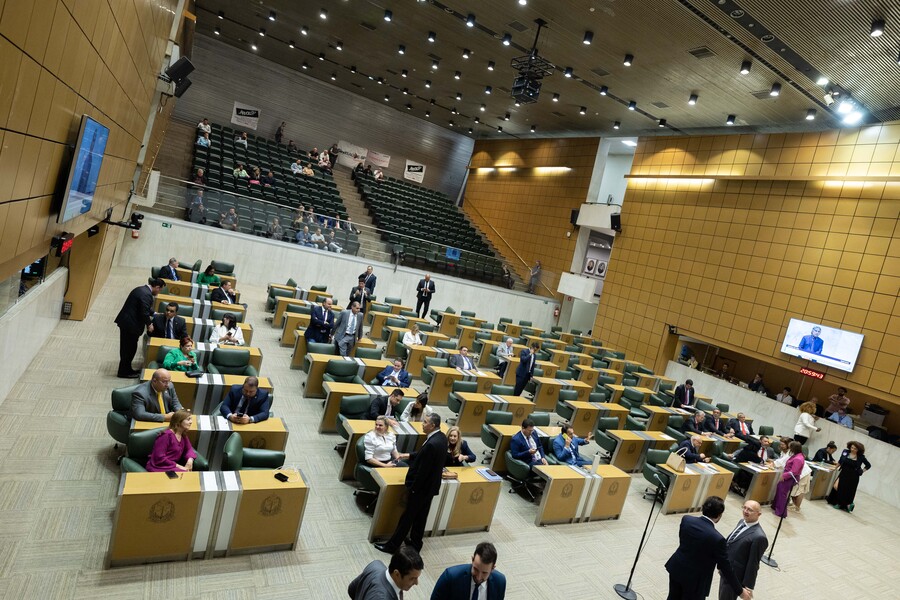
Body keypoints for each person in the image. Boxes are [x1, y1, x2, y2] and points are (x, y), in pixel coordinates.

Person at [374, 414, 448, 554]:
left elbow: (422, 471)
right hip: (430, 488)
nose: (422, 423)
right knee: (420, 518)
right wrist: (408, 455)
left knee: (406, 519)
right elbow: (424, 455)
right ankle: (415, 544)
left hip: (420, 489)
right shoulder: (441, 437)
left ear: (432, 426)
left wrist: (413, 489)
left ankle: (392, 546)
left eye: (425, 422)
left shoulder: (432, 443)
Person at [664, 496, 750, 600]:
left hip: (677, 568)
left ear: (703, 508)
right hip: (695, 581)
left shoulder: (686, 520)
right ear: (719, 515)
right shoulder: (718, 539)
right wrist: (740, 591)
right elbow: (726, 567)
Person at [115, 277, 164, 377]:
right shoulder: (147, 294)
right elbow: (144, 312)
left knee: (128, 348)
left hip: (128, 323)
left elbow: (144, 307)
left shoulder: (141, 289)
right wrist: (149, 324)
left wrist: (154, 313)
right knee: (128, 349)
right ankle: (124, 372)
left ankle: (127, 369)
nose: (159, 292)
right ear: (157, 287)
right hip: (130, 325)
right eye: (160, 290)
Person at [718, 501, 768, 600]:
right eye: (744, 508)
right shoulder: (742, 522)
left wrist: (748, 587)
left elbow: (753, 563)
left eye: (750, 510)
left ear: (759, 514)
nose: (745, 511)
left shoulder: (759, 537)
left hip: (735, 576)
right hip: (726, 569)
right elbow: (730, 543)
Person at [430, 541, 506, 600]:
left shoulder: (500, 582)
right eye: (476, 569)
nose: (479, 577)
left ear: (492, 568)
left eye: (484, 573)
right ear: (472, 560)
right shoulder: (450, 577)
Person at [349, 546, 423, 600]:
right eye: (412, 578)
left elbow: (352, 589)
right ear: (397, 574)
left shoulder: (376, 565)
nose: (416, 583)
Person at [826, 441, 871, 512]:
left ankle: (842, 504)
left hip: (854, 476)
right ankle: (837, 501)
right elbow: (840, 461)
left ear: (858, 450)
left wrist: (862, 471)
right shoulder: (845, 452)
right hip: (843, 473)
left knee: (848, 490)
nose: (852, 449)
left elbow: (868, 465)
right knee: (837, 486)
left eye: (855, 448)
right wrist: (835, 468)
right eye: (852, 447)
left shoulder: (861, 457)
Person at [772, 441, 805, 518]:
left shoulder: (798, 458)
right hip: (787, 476)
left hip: (789, 478)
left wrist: (784, 476)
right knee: (779, 490)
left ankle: (781, 512)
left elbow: (794, 471)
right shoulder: (796, 455)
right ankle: (775, 507)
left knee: (782, 493)